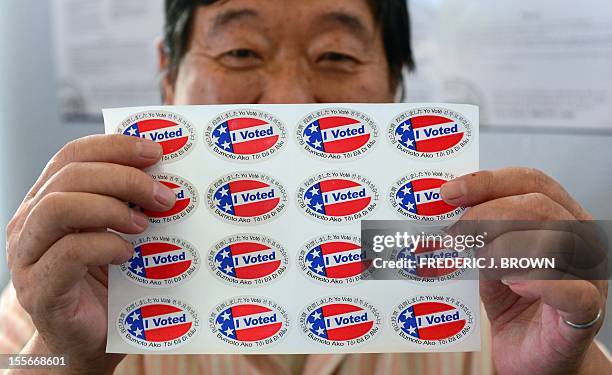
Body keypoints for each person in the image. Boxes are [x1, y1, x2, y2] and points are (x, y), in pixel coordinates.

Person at [1, 0, 609, 374]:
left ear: (397, 86)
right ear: (168, 78)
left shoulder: (490, 277)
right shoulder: (77, 287)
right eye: (240, 51)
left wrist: (572, 366)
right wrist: (63, 365)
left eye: (338, 55)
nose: (291, 99)